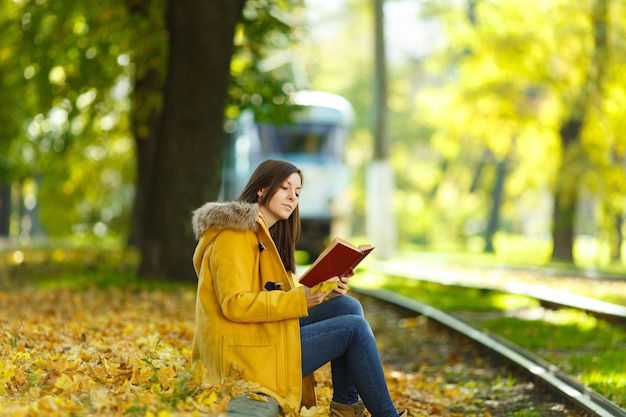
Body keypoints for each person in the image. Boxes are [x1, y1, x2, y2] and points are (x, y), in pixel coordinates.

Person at [191, 159, 407, 417]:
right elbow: (235, 304)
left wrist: (323, 290)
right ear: (261, 189)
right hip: (240, 353)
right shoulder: (234, 236)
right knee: (354, 329)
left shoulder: (262, 234)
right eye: (284, 188)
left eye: (297, 192)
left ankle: (345, 406)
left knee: (347, 306)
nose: (292, 197)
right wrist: (301, 299)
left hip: (258, 336)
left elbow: (270, 294)